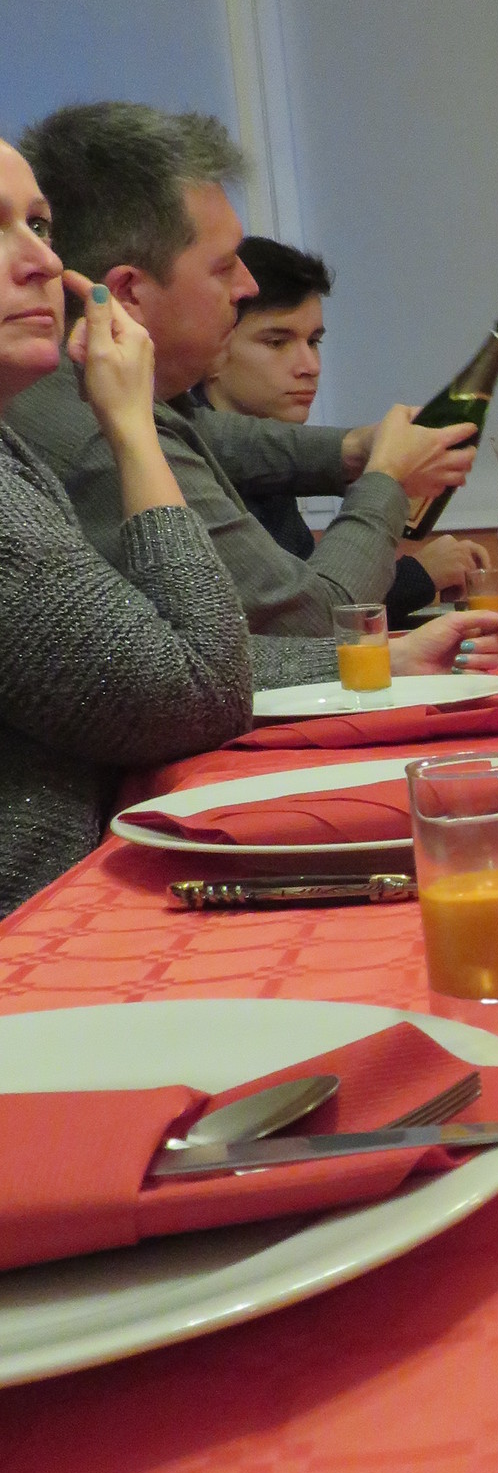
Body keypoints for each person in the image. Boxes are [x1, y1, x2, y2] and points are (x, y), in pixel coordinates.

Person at [7, 104, 488, 687]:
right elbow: (313, 622)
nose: (248, 285)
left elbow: (209, 435)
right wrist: (386, 478)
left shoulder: (83, 392)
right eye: (223, 267)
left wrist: (354, 451)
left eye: (38, 226)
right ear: (129, 292)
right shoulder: (97, 435)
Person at [0, 135, 252, 914]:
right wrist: (132, 427)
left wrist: (366, 656)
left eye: (38, 225)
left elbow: (129, 650)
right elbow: (200, 692)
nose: (42, 261)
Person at [196, 235, 487, 622]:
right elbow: (297, 620)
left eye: (314, 341)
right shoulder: (189, 460)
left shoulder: (276, 454)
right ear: (214, 346)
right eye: (277, 342)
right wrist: (419, 574)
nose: (310, 366)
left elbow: (308, 596)